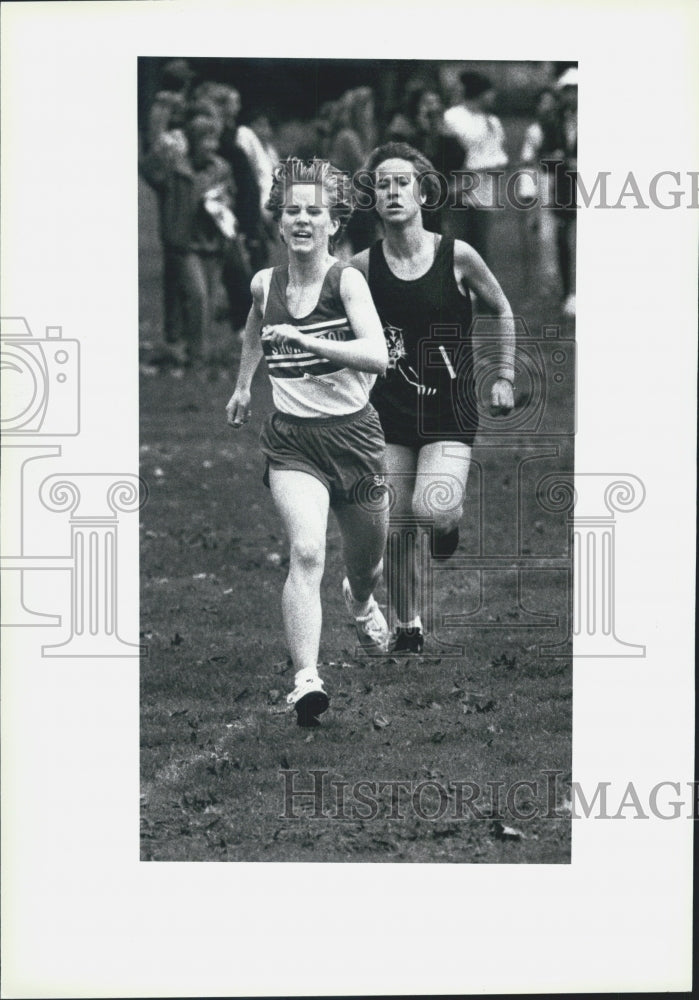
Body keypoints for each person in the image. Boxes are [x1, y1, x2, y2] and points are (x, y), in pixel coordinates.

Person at [225, 158, 390, 726]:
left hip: (357, 439)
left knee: (366, 566)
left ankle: (362, 602)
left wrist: (307, 341)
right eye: (292, 210)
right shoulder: (264, 283)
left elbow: (378, 356)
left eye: (314, 211)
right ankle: (306, 680)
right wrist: (245, 384)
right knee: (307, 550)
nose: (302, 219)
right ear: (278, 220)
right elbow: (253, 322)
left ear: (334, 223)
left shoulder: (347, 281)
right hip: (294, 443)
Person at [351, 142, 515, 653]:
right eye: (383, 184)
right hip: (389, 413)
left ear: (422, 190)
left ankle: (449, 525)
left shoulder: (457, 255)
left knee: (433, 511)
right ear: (373, 198)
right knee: (393, 522)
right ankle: (408, 625)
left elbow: (503, 310)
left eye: (402, 182)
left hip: (448, 410)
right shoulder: (361, 268)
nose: (393, 191)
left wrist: (504, 376)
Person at [141, 113, 235, 366]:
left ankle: (194, 352)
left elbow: (230, 201)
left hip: (212, 243)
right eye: (206, 140)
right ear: (193, 141)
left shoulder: (221, 168)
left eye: (214, 140)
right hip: (185, 244)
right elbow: (147, 170)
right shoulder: (175, 168)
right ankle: (197, 356)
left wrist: (221, 203)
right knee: (198, 296)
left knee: (209, 299)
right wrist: (162, 146)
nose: (211, 146)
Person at [443, 69, 509, 266]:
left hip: (484, 193)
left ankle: (478, 294)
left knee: (480, 252)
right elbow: (449, 155)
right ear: (479, 93)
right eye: (490, 92)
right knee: (457, 246)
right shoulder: (453, 117)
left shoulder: (492, 122)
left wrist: (494, 167)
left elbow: (499, 156)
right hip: (459, 192)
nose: (493, 97)